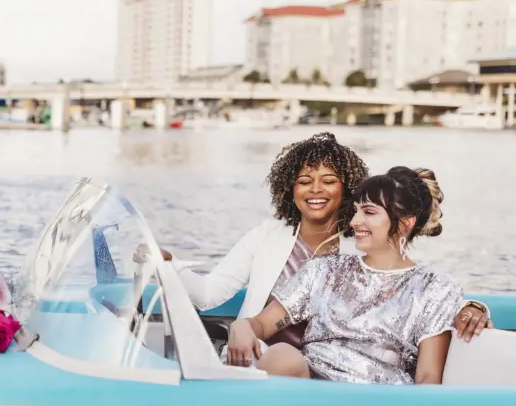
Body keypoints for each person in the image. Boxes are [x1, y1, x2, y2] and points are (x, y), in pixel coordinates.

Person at [160, 132, 491, 344]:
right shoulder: (266, 237)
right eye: (305, 181)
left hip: (327, 373)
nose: (315, 189)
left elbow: (408, 287)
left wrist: (474, 307)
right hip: (259, 361)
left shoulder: (364, 240)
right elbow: (207, 295)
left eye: (328, 180)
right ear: (289, 190)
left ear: (347, 188)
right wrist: (168, 266)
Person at [225, 166, 461, 384]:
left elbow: (429, 377)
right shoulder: (323, 270)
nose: (355, 221)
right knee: (281, 355)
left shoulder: (434, 288)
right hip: (308, 388)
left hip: (379, 403)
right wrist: (242, 327)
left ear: (405, 223)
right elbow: (263, 323)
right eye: (356, 211)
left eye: (369, 212)